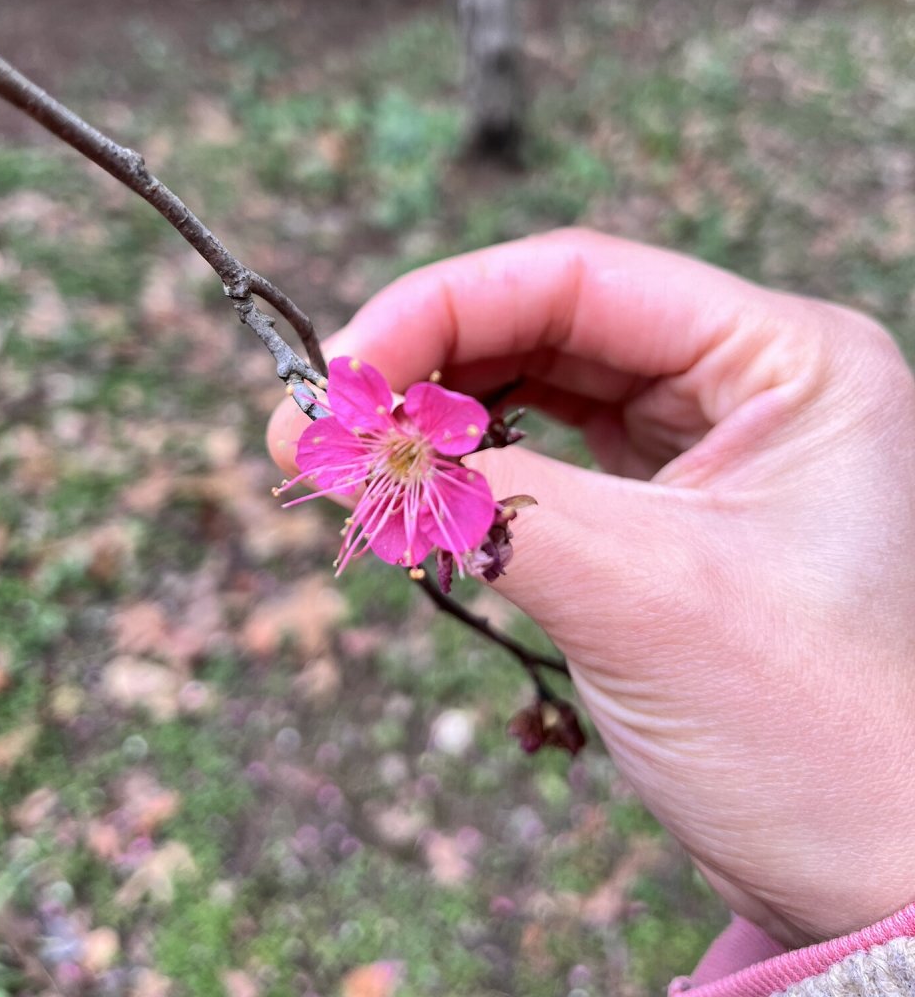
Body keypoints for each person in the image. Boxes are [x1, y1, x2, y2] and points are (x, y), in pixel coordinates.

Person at [268, 229, 915, 996]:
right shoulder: (404, 456)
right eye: (396, 456)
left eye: (410, 451)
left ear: (446, 436)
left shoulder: (460, 463)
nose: (400, 460)